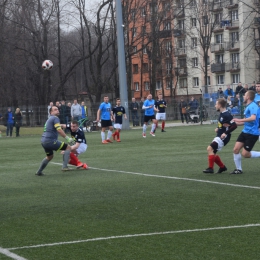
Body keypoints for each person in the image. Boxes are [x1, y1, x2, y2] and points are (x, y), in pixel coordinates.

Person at [36, 106, 73, 176]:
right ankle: (64, 167)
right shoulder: (55, 118)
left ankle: (39, 172)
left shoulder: (49, 119)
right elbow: (59, 129)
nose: (57, 110)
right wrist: (67, 138)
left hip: (43, 141)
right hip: (50, 140)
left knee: (49, 157)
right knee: (68, 147)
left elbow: (56, 126)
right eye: (55, 110)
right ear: (51, 112)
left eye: (57, 109)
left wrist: (64, 125)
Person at [203, 98, 237, 173]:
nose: (215, 106)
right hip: (219, 136)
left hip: (223, 138)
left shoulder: (227, 115)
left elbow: (234, 126)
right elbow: (223, 124)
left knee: (209, 148)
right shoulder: (222, 114)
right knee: (212, 152)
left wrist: (225, 133)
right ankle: (222, 167)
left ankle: (210, 168)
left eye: (216, 104)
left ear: (220, 105)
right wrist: (218, 128)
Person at [230, 90, 260, 174]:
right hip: (245, 132)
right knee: (236, 149)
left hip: (252, 134)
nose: (243, 96)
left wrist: (239, 119)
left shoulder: (253, 106)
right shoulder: (248, 106)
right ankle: (238, 169)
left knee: (245, 154)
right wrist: (235, 123)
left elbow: (253, 118)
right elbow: (247, 121)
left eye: (245, 95)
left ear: (248, 97)